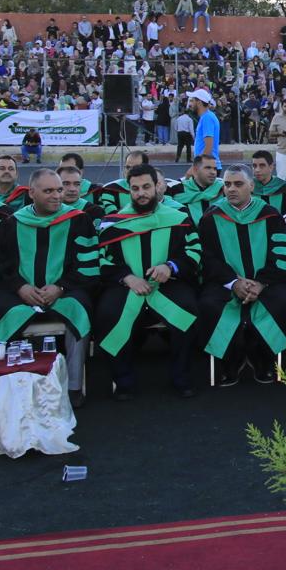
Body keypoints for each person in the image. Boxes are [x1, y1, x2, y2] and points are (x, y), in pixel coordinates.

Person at [0, 169, 97, 407]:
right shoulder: (11, 223)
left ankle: (74, 386)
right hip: (21, 293)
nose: (57, 196)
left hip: (65, 291)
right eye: (49, 191)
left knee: (80, 309)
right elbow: (2, 265)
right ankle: (5, 383)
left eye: (59, 190)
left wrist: (60, 287)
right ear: (32, 193)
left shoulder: (79, 220)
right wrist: (20, 287)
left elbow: (87, 264)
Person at [95, 163, 202, 399]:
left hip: (168, 283)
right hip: (127, 285)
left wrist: (170, 266)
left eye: (146, 187)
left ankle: (181, 376)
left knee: (188, 308)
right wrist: (127, 277)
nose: (141, 193)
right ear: (129, 190)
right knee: (107, 313)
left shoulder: (178, 218)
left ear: (157, 186)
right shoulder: (113, 223)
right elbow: (103, 260)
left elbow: (194, 252)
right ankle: (123, 380)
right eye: (135, 189)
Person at [196, 166, 286, 386]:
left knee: (285, 303)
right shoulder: (211, 217)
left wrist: (261, 283)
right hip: (225, 282)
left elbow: (279, 255)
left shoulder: (270, 215)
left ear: (251, 186)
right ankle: (230, 360)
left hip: (266, 282)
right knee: (209, 305)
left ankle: (265, 359)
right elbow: (208, 259)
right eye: (227, 184)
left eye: (238, 184)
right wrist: (233, 282)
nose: (231, 189)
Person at [166, 155, 224, 225]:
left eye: (215, 169)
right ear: (195, 170)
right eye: (208, 168)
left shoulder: (223, 188)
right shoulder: (176, 190)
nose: (213, 172)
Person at [95, 150, 149, 215]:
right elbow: (110, 216)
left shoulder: (155, 188)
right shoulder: (110, 189)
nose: (130, 171)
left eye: (135, 167)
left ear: (146, 168)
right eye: (128, 167)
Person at [251, 150, 286, 216]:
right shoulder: (248, 187)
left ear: (271, 167)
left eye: (262, 166)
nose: (257, 170)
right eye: (254, 166)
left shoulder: (283, 188)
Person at [186, 88, 220, 170]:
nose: (190, 104)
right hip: (206, 167)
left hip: (207, 168)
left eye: (192, 101)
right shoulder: (206, 117)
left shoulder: (207, 118)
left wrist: (195, 168)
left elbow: (208, 147)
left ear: (199, 103)